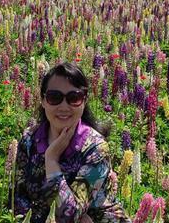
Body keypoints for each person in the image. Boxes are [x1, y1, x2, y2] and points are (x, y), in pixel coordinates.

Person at [11, 62, 131, 223]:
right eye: (55, 97)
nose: (64, 106)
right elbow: (16, 199)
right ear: (43, 100)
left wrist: (51, 160)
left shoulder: (96, 148)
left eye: (74, 98)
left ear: (84, 101)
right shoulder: (29, 140)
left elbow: (68, 214)